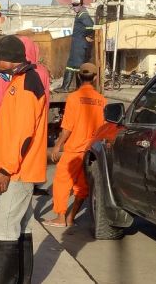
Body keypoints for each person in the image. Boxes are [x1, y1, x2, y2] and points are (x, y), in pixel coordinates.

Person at [0, 35, 47, 284]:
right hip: (18, 168)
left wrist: (5, 169)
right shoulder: (19, 79)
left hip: (18, 170)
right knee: (22, 227)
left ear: (10, 60)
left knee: (4, 229)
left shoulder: (26, 84)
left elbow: (23, 134)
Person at [44, 63, 106, 227]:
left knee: (61, 182)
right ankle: (71, 218)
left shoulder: (73, 98)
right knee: (81, 185)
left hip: (74, 149)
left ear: (79, 76)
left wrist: (57, 146)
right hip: (91, 150)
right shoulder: (101, 100)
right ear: (95, 78)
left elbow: (67, 128)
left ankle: (60, 217)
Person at [55, 0, 94, 93]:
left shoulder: (83, 15)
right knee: (71, 66)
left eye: (77, 5)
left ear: (81, 5)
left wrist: (86, 36)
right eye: (73, 5)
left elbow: (90, 26)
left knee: (77, 66)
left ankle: (77, 88)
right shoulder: (79, 14)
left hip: (79, 45)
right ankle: (66, 87)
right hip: (77, 45)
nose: (75, 7)